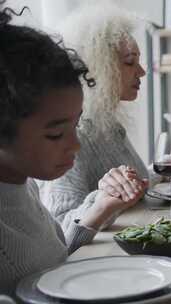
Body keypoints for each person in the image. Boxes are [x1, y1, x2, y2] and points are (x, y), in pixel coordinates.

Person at [0, 4, 144, 294]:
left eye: (76, 125)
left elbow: (55, 259)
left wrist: (100, 206)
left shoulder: (24, 187)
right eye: (55, 134)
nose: (75, 144)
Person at [39, 4, 171, 230]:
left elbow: (131, 187)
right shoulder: (73, 134)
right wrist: (100, 201)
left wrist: (166, 166)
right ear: (99, 66)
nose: (142, 72)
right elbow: (59, 227)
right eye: (130, 62)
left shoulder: (106, 123)